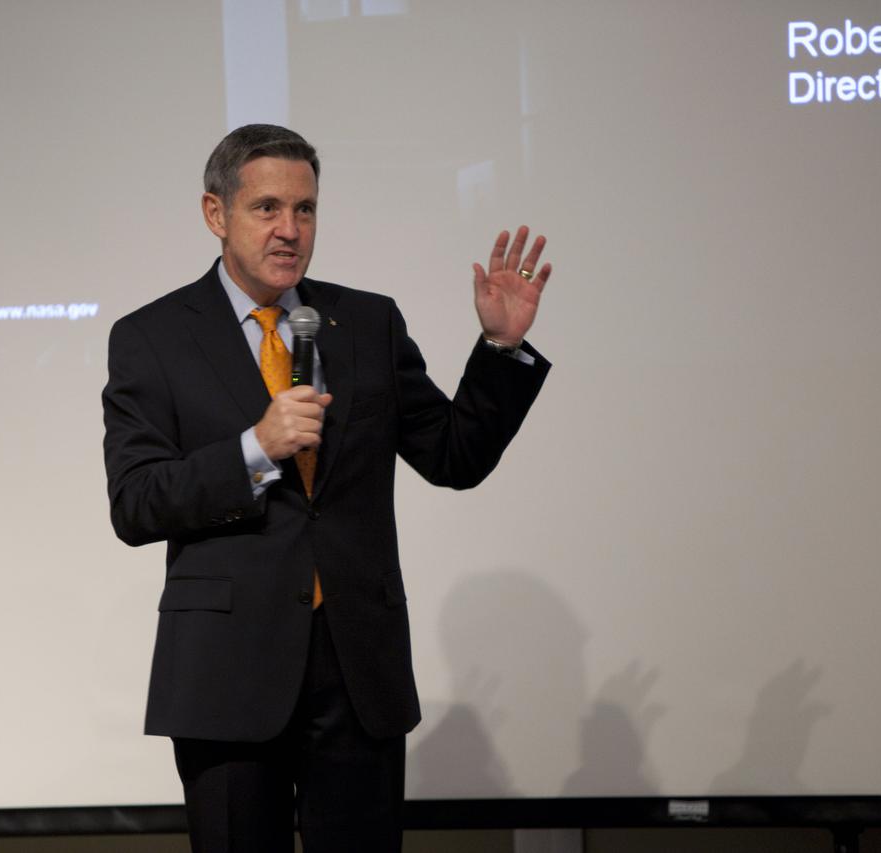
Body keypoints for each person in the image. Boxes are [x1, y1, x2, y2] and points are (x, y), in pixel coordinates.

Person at [102, 124, 551, 852]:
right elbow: (136, 501)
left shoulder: (365, 322)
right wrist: (256, 448)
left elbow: (453, 455)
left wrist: (500, 349)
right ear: (216, 214)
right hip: (228, 673)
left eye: (305, 210)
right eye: (267, 208)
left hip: (355, 668)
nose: (290, 230)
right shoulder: (151, 337)